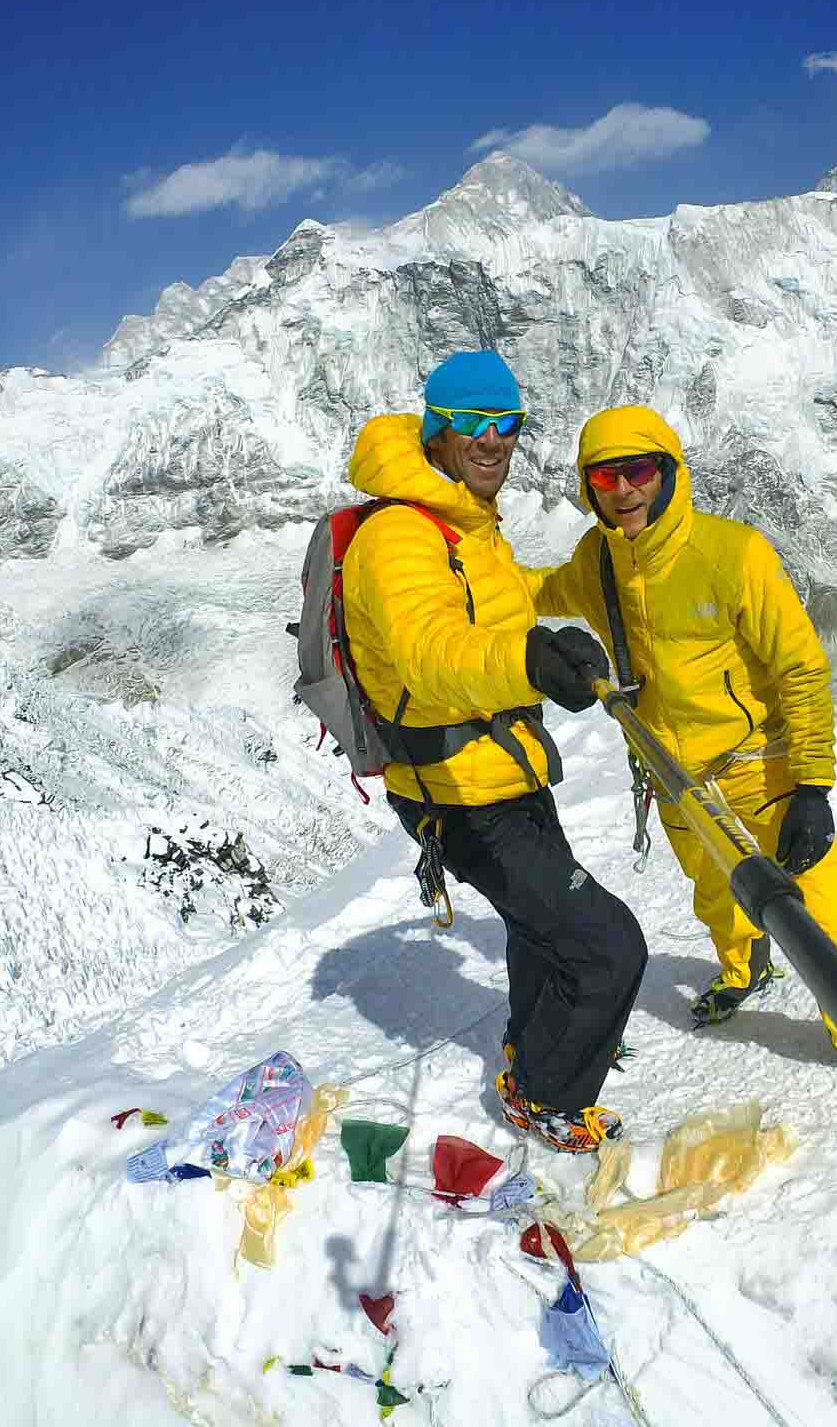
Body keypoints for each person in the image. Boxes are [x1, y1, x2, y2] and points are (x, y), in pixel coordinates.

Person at [339, 350, 646, 1154]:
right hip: (456, 791)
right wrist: (530, 661)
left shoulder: (468, 525)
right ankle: (548, 1095)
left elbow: (499, 605)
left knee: (540, 927)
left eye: (507, 423)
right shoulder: (400, 534)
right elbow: (432, 654)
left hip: (502, 768)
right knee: (610, 945)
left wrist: (571, 601)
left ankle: (531, 1054)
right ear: (437, 430)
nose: (493, 439)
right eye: (474, 423)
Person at [527, 403, 837, 1069]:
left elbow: (800, 669)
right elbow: (541, 593)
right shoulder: (597, 560)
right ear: (589, 489)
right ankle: (741, 966)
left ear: (668, 473)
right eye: (606, 480)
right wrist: (464, 590)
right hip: (673, 777)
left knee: (822, 914)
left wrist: (811, 786)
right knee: (715, 892)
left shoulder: (733, 554)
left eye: (639, 472)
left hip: (761, 769)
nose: (625, 491)